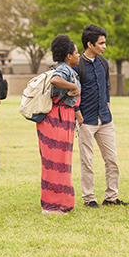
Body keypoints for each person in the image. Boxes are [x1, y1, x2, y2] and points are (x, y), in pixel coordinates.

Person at [73, 24, 129, 208]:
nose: (104, 46)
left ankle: (111, 197)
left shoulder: (104, 63)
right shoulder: (77, 66)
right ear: (90, 44)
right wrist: (78, 115)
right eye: (101, 43)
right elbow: (72, 93)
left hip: (105, 119)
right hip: (86, 121)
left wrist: (107, 104)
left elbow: (106, 86)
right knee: (87, 161)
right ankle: (89, 198)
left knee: (112, 159)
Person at [38, 35, 81, 215]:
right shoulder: (63, 70)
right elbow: (55, 80)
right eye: (77, 52)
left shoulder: (61, 67)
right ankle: (53, 205)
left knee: (57, 162)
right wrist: (75, 87)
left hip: (58, 117)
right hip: (57, 119)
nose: (79, 56)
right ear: (69, 56)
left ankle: (59, 203)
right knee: (56, 162)